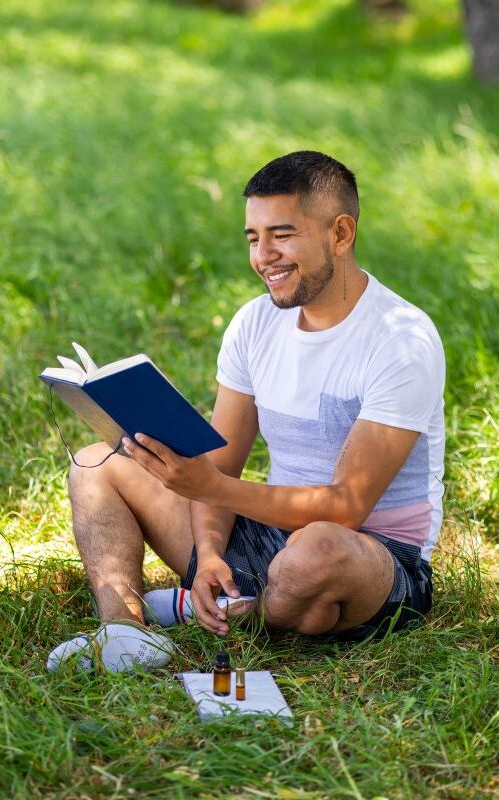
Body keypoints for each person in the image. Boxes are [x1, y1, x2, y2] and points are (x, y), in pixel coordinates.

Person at [47, 151, 446, 673]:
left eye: (282, 235)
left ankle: (226, 610)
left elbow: (345, 506)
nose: (264, 256)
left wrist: (209, 488)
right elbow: (220, 463)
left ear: (341, 234)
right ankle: (124, 631)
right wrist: (210, 553)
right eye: (253, 238)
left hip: (370, 554)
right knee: (95, 465)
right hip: (269, 531)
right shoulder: (254, 324)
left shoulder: (401, 339)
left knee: (320, 548)